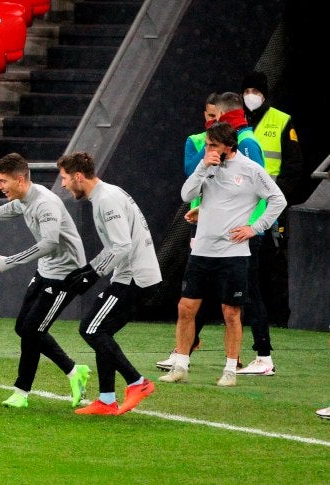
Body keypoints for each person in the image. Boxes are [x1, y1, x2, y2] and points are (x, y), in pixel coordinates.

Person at [0, 153, 90, 409]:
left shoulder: (46, 203)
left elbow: (49, 243)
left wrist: (8, 261)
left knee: (32, 330)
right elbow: (10, 210)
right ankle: (37, 386)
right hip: (47, 270)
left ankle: (44, 382)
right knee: (24, 328)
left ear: (20, 179)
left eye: (3, 181)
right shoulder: (24, 198)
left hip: (68, 275)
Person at [160, 122, 286, 388]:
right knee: (186, 308)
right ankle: (180, 364)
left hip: (233, 253)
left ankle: (229, 370)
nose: (208, 149)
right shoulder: (206, 166)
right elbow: (187, 193)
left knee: (231, 312)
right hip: (202, 251)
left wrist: (254, 227)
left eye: (213, 145)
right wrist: (204, 166)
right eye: (207, 145)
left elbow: (278, 200)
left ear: (229, 146)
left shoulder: (251, 170)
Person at [56, 152, 161, 416]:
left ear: (79, 176)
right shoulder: (106, 195)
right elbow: (117, 245)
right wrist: (89, 269)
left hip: (133, 277)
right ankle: (106, 400)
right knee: (101, 333)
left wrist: (92, 273)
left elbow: (123, 246)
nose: (64, 185)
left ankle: (138, 382)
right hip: (133, 275)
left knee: (91, 329)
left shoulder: (106, 199)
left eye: (65, 178)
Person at [155, 93, 220, 371]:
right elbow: (189, 171)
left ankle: (253, 355)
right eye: (208, 116)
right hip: (200, 222)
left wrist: (254, 227)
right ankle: (186, 348)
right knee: (195, 291)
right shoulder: (195, 141)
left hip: (233, 230)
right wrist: (207, 154)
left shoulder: (239, 144)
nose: (211, 121)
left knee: (236, 298)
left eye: (216, 117)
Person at [241, 70, 307, 332]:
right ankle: (246, 312)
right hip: (243, 203)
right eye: (246, 92)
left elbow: (294, 164)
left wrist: (276, 196)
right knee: (244, 259)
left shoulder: (281, 120)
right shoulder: (236, 120)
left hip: (270, 204)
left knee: (273, 257)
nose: (250, 97)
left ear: (265, 94)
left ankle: (279, 315)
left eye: (255, 92)